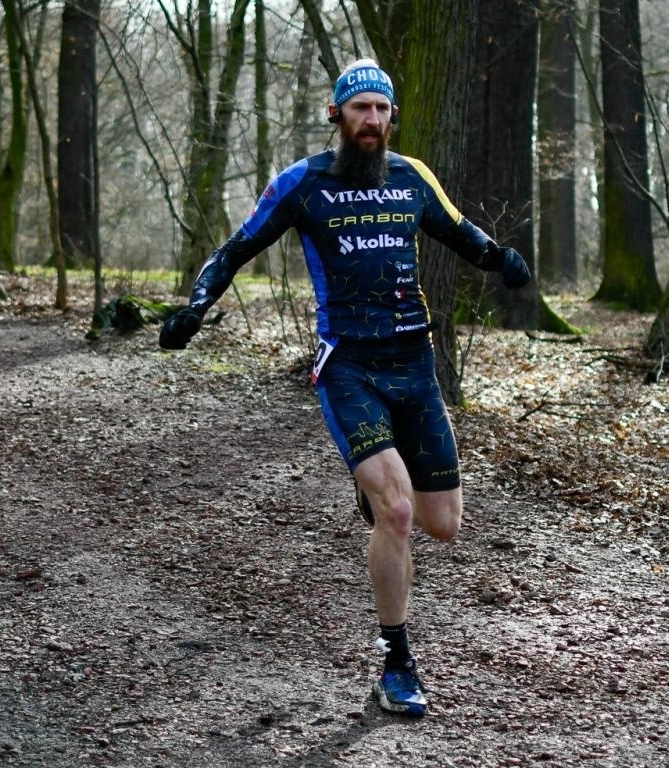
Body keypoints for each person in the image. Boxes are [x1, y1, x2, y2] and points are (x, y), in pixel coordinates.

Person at [158, 58, 531, 718]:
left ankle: (377, 488)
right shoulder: (304, 183)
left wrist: (502, 260)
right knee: (400, 514)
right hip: (348, 367)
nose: (373, 121)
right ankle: (397, 664)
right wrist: (195, 307)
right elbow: (235, 249)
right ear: (338, 115)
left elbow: (459, 229)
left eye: (383, 110)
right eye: (361, 109)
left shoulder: (411, 178)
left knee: (444, 524)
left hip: (415, 365)